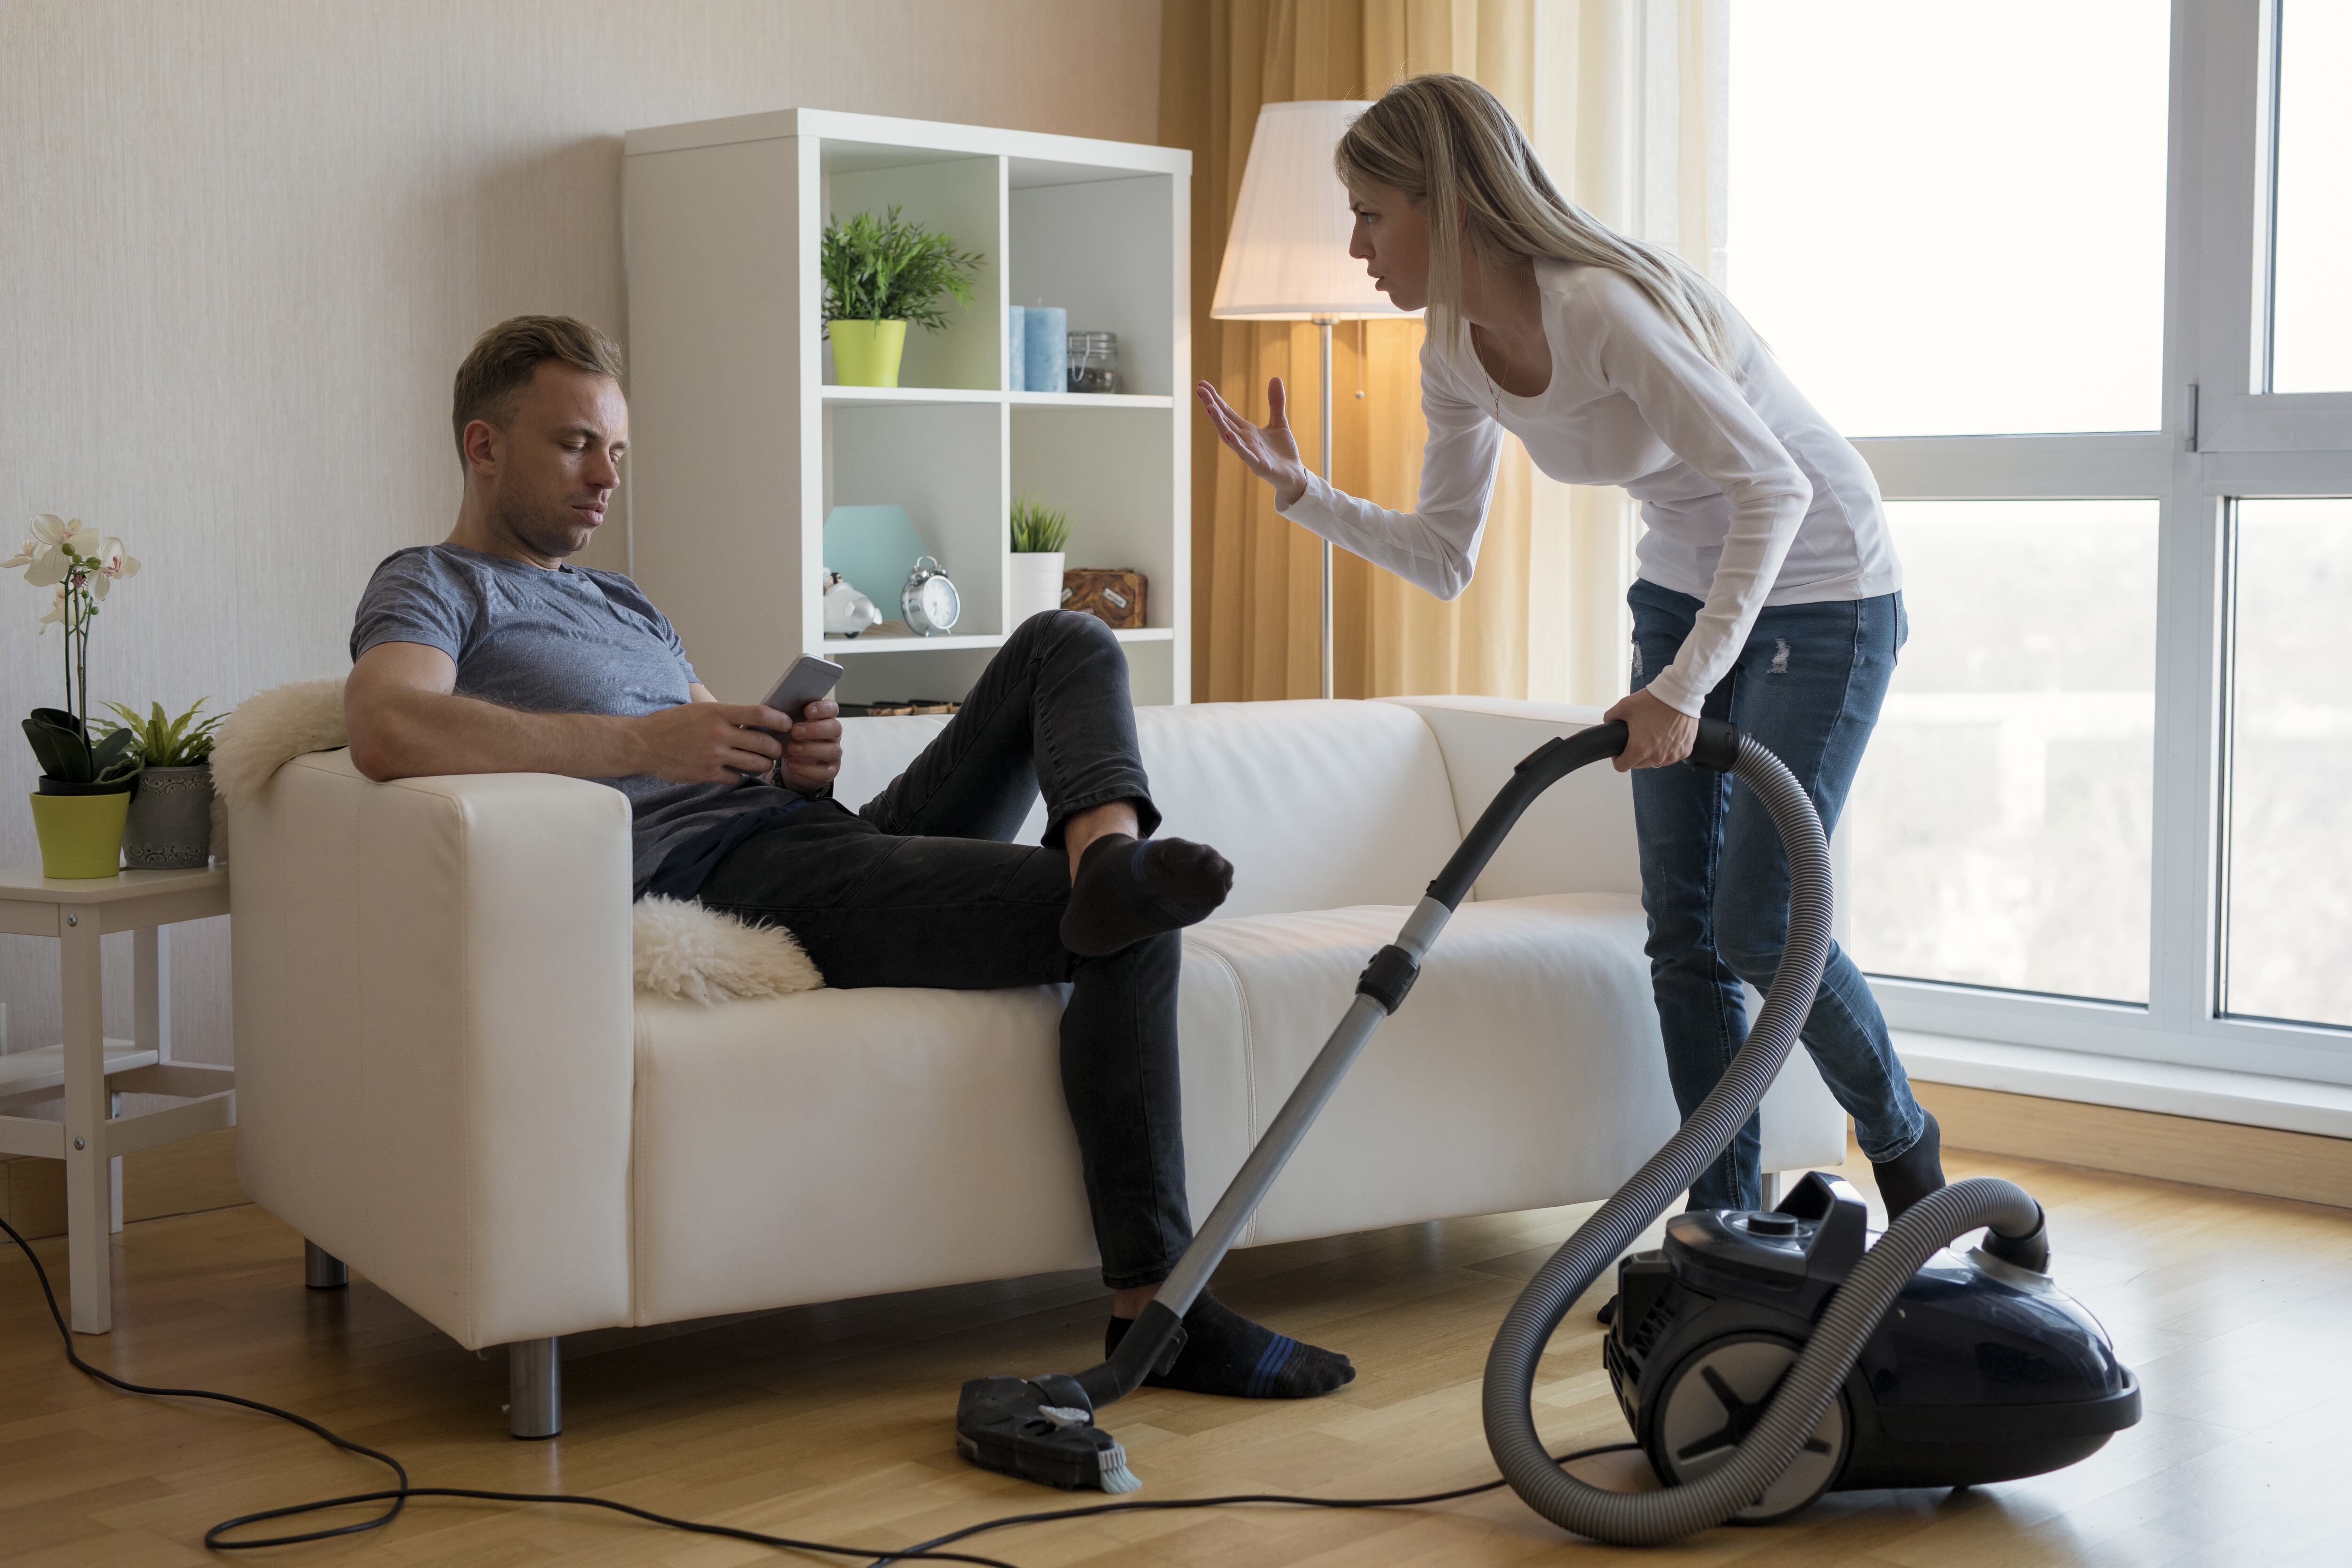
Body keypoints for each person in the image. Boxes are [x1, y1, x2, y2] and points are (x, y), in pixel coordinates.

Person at [345, 314, 1354, 1400]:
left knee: (1068, 638)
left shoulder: (620, 596)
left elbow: (713, 750)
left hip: (813, 833)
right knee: (1132, 923)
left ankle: (1105, 854)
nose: (606, 478)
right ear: (484, 445)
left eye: (619, 453)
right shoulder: (435, 582)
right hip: (738, 880)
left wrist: (793, 757)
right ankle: (1158, 1312)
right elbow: (389, 725)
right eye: (576, 444)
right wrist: (644, 744)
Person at [1196, 75, 1946, 1223]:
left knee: (1754, 921)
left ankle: (1903, 1144)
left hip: (1821, 583)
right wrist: (1305, 495)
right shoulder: (1450, 351)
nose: (1355, 246)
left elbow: (1775, 486)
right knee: (1680, 936)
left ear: (1443, 204)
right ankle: (1722, 1230)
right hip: (1685, 582)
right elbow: (1446, 554)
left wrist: (1680, 688)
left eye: (1370, 212)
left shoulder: (1597, 306)